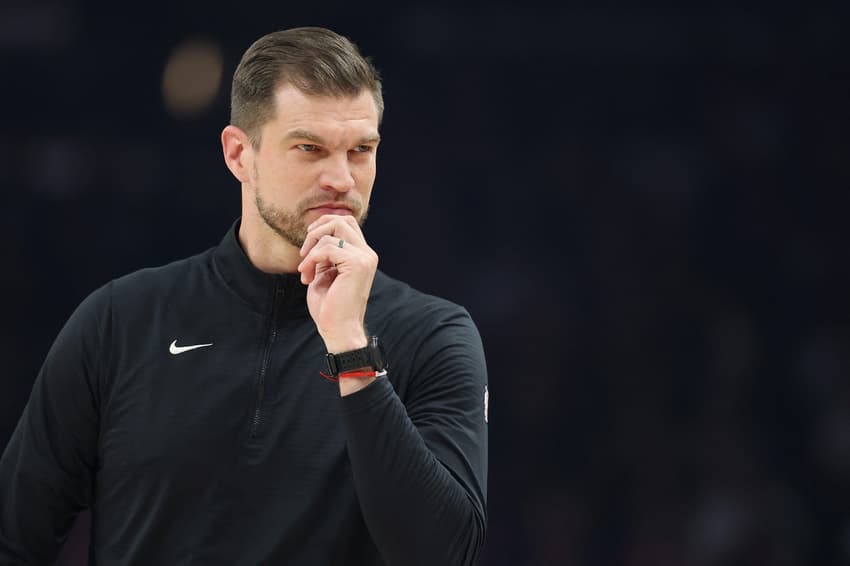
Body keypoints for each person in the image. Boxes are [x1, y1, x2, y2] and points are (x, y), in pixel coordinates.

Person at [0, 27, 488, 565]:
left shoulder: (433, 335)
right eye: (309, 148)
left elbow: (446, 554)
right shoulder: (120, 320)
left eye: (360, 150)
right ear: (239, 154)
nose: (340, 178)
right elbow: (15, 536)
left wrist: (352, 350)